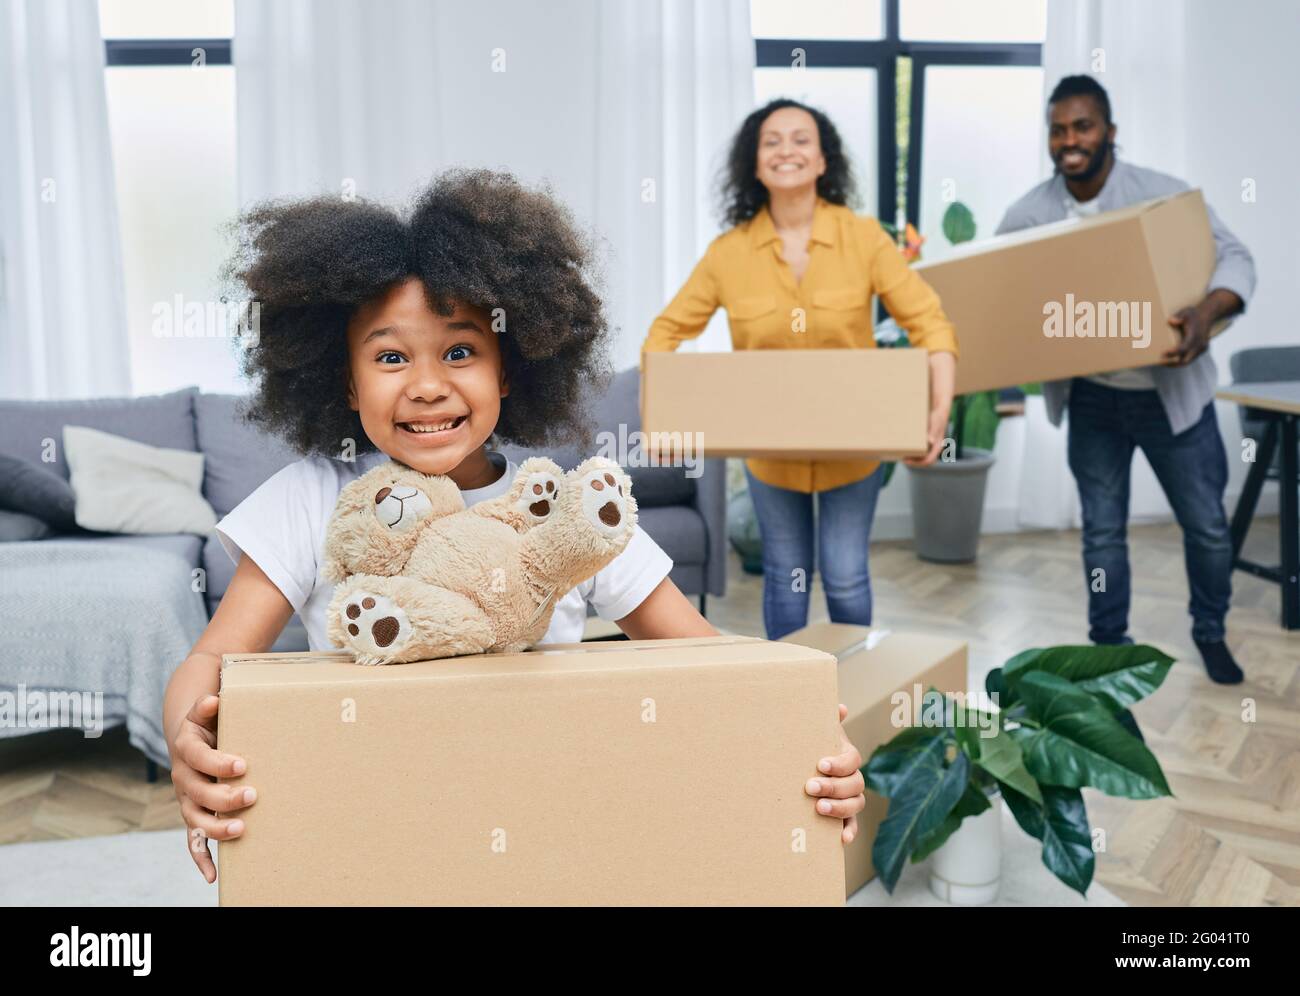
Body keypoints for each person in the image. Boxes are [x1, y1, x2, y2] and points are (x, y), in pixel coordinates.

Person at [163, 170, 867, 883]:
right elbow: (208, 665)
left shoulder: (571, 513)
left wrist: (800, 735)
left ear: (509, 369)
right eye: (390, 356)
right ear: (345, 383)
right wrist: (191, 743)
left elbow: (712, 665)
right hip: (378, 836)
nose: (428, 384)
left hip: (544, 839)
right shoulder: (309, 498)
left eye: (460, 351)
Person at [641, 98, 958, 640]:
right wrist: (661, 420)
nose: (787, 150)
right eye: (772, 141)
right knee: (786, 584)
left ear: (823, 160)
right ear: (755, 163)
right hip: (772, 460)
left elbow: (930, 322)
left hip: (855, 453)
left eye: (801, 139)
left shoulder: (863, 238)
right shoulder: (728, 253)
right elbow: (663, 334)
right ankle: (787, 705)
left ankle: (851, 697)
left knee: (846, 576)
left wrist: (938, 412)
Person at [996, 75, 1256, 684]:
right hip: (1092, 399)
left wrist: (1206, 312)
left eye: (1082, 126)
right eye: (1058, 130)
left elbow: (1236, 258)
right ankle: (1108, 648)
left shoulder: (1163, 197)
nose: (1070, 140)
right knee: (1103, 537)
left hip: (1174, 400)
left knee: (1208, 529)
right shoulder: (1028, 214)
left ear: (1109, 132)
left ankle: (1210, 631)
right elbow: (1002, 292)